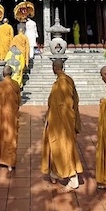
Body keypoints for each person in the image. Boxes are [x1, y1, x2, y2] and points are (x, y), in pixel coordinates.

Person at [41, 59, 83, 191]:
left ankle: (73, 178)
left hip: (60, 123)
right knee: (54, 146)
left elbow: (56, 105)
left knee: (63, 147)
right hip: (66, 119)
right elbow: (75, 100)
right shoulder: (68, 80)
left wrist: (49, 117)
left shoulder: (60, 84)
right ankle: (55, 172)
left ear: (54, 68)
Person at [0, 64, 21, 171]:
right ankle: (10, 163)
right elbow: (18, 101)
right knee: (11, 138)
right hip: (11, 115)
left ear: (3, 74)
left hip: (0, 115)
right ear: (11, 74)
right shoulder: (15, 85)